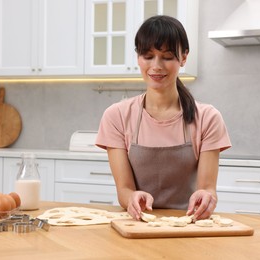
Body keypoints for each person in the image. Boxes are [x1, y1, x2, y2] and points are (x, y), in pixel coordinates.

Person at [96, 15, 231, 221]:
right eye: (148, 56)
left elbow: (207, 188)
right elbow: (123, 189)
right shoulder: (116, 116)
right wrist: (132, 197)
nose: (156, 66)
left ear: (184, 57)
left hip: (188, 225)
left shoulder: (207, 118)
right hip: (136, 225)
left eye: (167, 57)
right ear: (138, 57)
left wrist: (206, 197)